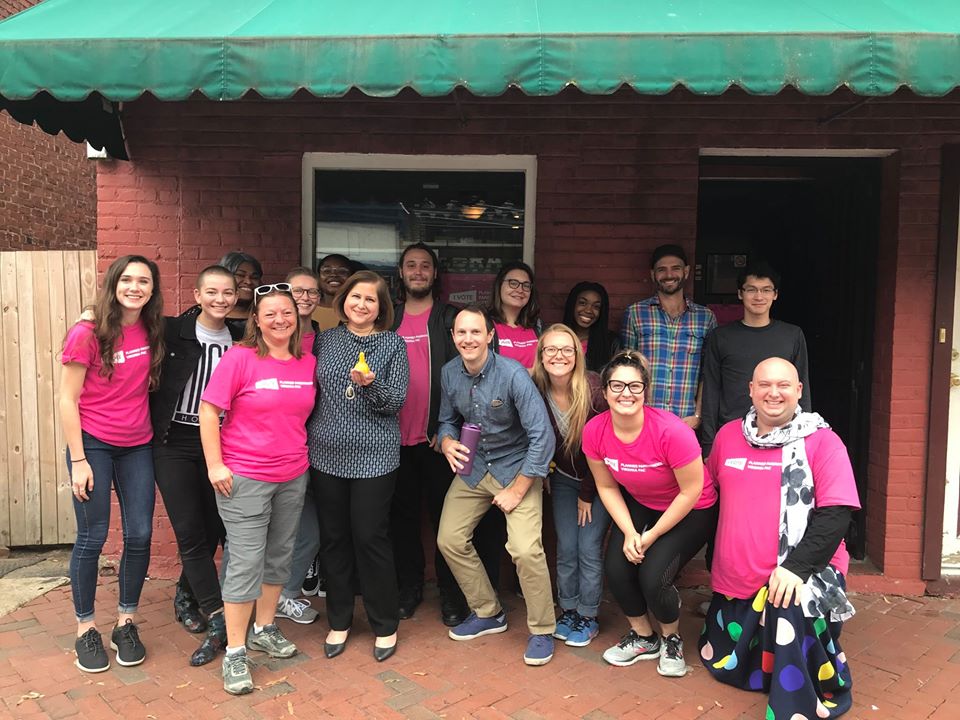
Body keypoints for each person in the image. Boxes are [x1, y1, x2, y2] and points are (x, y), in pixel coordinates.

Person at [700, 358, 858, 718]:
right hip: (737, 577)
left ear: (799, 390)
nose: (774, 393)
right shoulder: (728, 436)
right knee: (729, 657)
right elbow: (705, 497)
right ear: (751, 390)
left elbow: (837, 514)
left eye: (784, 385)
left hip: (799, 570)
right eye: (765, 385)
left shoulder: (823, 442)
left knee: (789, 604)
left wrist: (796, 568)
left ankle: (796, 705)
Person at [199, 283, 316, 695]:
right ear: (257, 320)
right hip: (244, 477)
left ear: (297, 317)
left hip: (292, 474)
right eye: (270, 314)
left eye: (286, 312)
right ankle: (234, 651)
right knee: (245, 562)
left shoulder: (306, 362)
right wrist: (215, 464)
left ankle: (264, 628)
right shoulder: (240, 358)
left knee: (279, 557)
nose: (280, 319)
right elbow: (209, 410)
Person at [59, 255, 165, 673]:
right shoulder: (87, 332)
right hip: (94, 445)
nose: (135, 287)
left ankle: (126, 622)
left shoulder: (152, 328)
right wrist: (80, 460)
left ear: (153, 289)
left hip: (138, 444)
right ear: (113, 283)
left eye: (143, 281)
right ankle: (85, 629)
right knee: (93, 537)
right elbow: (67, 398)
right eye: (127, 279)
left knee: (139, 535)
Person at [582, 350, 717, 678]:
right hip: (643, 501)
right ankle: (644, 637)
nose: (625, 393)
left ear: (645, 390)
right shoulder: (594, 431)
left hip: (692, 507)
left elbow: (690, 491)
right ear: (605, 391)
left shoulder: (671, 431)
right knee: (616, 567)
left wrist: (651, 535)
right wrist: (629, 532)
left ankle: (672, 639)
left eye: (634, 386)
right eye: (616, 385)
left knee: (653, 577)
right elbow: (608, 487)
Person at [436, 305, 557, 667]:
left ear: (490, 336)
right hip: (473, 469)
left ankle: (542, 629)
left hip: (517, 468)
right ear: (454, 336)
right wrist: (445, 441)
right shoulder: (448, 373)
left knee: (524, 548)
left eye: (476, 332)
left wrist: (519, 489)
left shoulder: (513, 375)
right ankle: (488, 611)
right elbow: (446, 420)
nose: (468, 339)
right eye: (462, 332)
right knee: (450, 539)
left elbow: (543, 437)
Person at [389, 243, 499, 627]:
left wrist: (446, 427)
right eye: (410, 266)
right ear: (401, 273)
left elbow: (482, 374)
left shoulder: (452, 318)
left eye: (425, 266)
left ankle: (452, 595)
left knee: (446, 522)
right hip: (392, 440)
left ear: (436, 274)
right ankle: (409, 588)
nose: (418, 271)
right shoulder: (389, 318)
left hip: (441, 441)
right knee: (401, 521)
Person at [307, 270, 409, 663]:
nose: (362, 305)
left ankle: (385, 624)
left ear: (381, 308)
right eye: (355, 297)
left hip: (375, 457)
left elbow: (395, 401)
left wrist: (369, 384)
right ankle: (339, 620)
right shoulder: (325, 341)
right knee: (333, 538)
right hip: (325, 454)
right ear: (343, 300)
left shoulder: (392, 344)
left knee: (370, 537)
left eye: (371, 299)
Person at [151, 265, 243, 667]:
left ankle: (186, 594)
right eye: (212, 292)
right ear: (197, 294)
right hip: (174, 442)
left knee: (215, 529)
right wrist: (89, 314)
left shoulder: (242, 337)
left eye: (228, 292)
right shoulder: (173, 331)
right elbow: (124, 325)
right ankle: (217, 615)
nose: (220, 299)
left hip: (222, 442)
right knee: (189, 531)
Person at [531, 324, 610, 648]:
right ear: (541, 355)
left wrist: (587, 496)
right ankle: (569, 609)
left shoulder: (593, 389)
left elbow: (601, 449)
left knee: (588, 547)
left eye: (567, 349)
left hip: (602, 482)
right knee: (566, 547)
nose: (559, 356)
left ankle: (588, 614)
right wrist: (545, 473)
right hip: (563, 478)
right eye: (551, 349)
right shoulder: (534, 387)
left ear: (578, 355)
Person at [699, 260, 812, 457]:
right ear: (740, 294)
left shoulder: (792, 335)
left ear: (775, 294)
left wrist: (806, 438)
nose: (759, 296)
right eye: (751, 290)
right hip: (732, 432)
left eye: (766, 290)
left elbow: (802, 388)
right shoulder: (721, 336)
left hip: (782, 433)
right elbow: (711, 390)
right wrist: (709, 444)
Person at [274, 267, 325, 624]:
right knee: (257, 534)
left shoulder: (324, 341)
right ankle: (235, 606)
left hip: (314, 449)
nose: (304, 298)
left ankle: (286, 595)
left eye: (312, 292)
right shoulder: (266, 340)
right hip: (271, 450)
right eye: (298, 292)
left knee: (309, 530)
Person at [620, 244, 716, 426]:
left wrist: (698, 415)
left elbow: (708, 372)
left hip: (685, 420)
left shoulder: (705, 317)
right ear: (652, 274)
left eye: (676, 269)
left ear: (686, 272)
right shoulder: (635, 313)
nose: (669, 275)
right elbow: (625, 368)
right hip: (643, 418)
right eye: (662, 270)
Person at [489, 260, 542, 369]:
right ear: (499, 285)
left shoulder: (538, 326)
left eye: (526, 285)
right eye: (513, 283)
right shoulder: (485, 324)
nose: (520, 289)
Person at [562, 281, 620, 372]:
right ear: (572, 304)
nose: (588, 310)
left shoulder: (611, 342)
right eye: (582, 303)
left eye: (596, 307)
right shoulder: (556, 337)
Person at [218, 251, 263, 335]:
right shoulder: (204, 315)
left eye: (254, 277)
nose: (248, 281)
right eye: (240, 275)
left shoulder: (265, 315)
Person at [311, 253, 353, 330]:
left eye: (342, 271)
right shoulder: (307, 308)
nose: (334, 275)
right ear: (318, 277)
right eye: (327, 271)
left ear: (351, 277)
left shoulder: (357, 310)